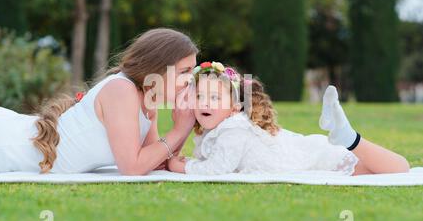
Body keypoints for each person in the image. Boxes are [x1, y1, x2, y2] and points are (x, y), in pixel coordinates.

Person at [0, 28, 198, 176]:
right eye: (184, 71)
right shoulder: (122, 91)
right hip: (1, 144)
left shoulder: (149, 99)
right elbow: (133, 166)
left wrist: (186, 122)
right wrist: (180, 129)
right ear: (157, 67)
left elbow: (156, 161)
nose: (190, 79)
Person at [167, 61, 410, 176]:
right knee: (386, 168)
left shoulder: (233, 130)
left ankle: (349, 137)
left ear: (234, 107)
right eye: (200, 96)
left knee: (399, 169)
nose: (206, 103)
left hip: (311, 159)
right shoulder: (220, 129)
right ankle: (347, 136)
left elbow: (216, 169)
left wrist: (180, 166)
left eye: (215, 97)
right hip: (307, 150)